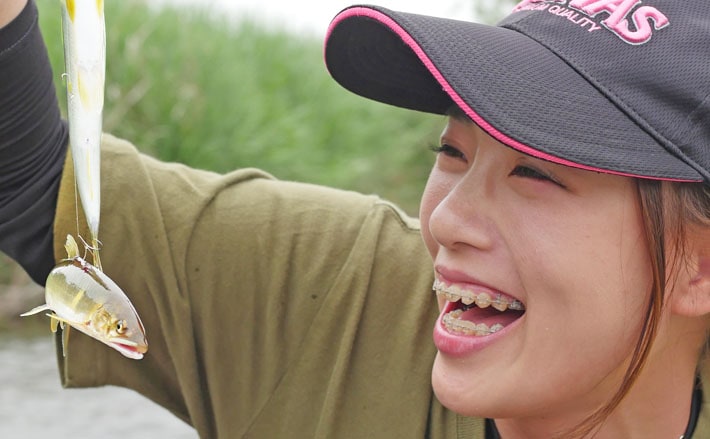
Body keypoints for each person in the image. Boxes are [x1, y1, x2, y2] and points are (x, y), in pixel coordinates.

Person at [1, 0, 709, 437]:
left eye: (535, 172)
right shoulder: (341, 294)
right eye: (452, 151)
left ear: (697, 262)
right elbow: (35, 188)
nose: (448, 218)